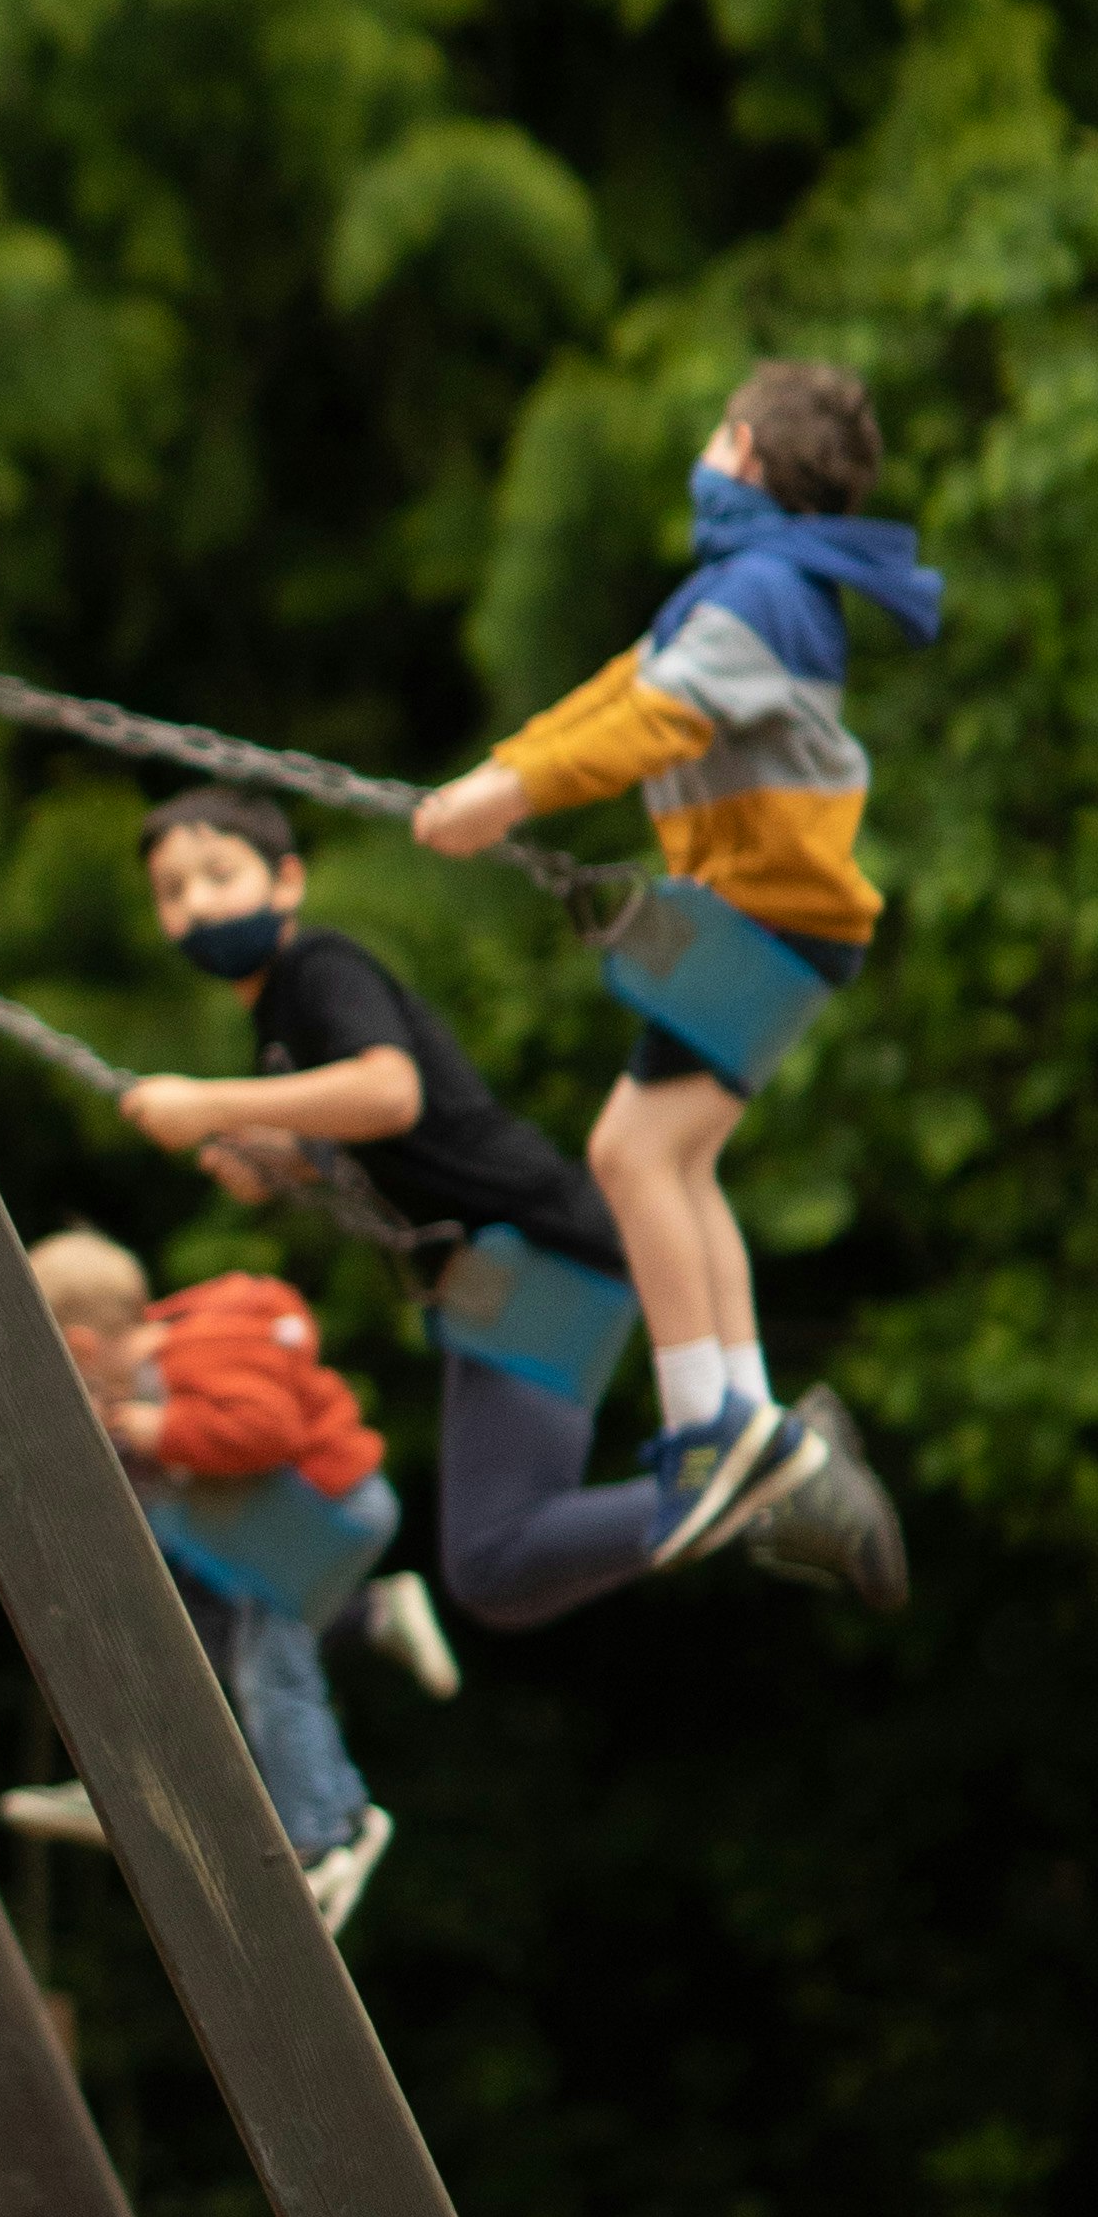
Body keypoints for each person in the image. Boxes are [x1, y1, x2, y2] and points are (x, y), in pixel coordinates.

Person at [115, 793, 899, 1621]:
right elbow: (364, 1137)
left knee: (492, 1557)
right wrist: (274, 1156)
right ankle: (768, 1478)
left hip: (532, 1254)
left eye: (216, 875)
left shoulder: (317, 969)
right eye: (171, 892)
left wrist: (210, 1105)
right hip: (512, 1269)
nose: (196, 903)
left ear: (285, 881)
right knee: (496, 1577)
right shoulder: (277, 1021)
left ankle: (777, 1469)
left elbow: (390, 1092)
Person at [412, 362, 938, 1540]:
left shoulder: (762, 587)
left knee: (632, 1154)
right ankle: (741, 1406)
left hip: (771, 911)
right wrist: (502, 777)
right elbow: (622, 691)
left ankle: (710, 1418)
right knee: (675, 1159)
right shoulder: (756, 583)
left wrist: (508, 791)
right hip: (776, 914)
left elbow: (660, 719)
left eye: (715, 435)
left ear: (743, 450)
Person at [5, 1225, 401, 1932]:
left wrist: (164, 1430)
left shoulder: (197, 1354)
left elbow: (265, 1429)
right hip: (286, 1525)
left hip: (324, 1512)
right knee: (206, 1634)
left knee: (268, 1671)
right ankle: (320, 1795)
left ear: (83, 1347)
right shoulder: (153, 1374)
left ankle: (324, 1834)